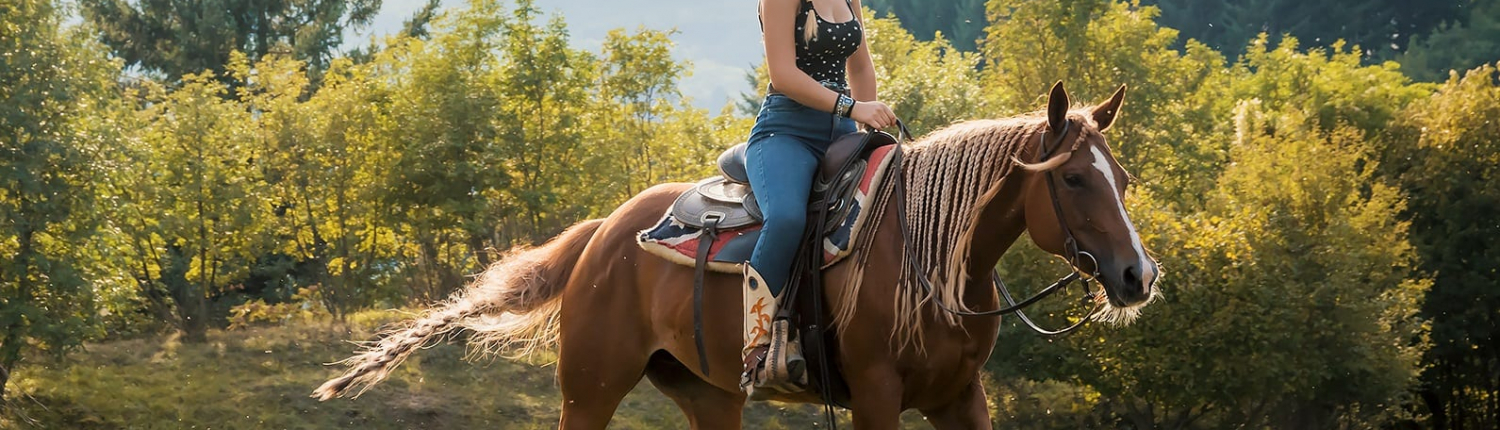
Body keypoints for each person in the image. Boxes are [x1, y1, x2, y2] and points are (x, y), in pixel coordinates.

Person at [740, 0, 897, 398]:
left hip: (843, 134)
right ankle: (757, 349)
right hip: (785, 132)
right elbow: (784, 74)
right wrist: (853, 105)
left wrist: (865, 128)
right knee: (788, 219)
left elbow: (860, 67)